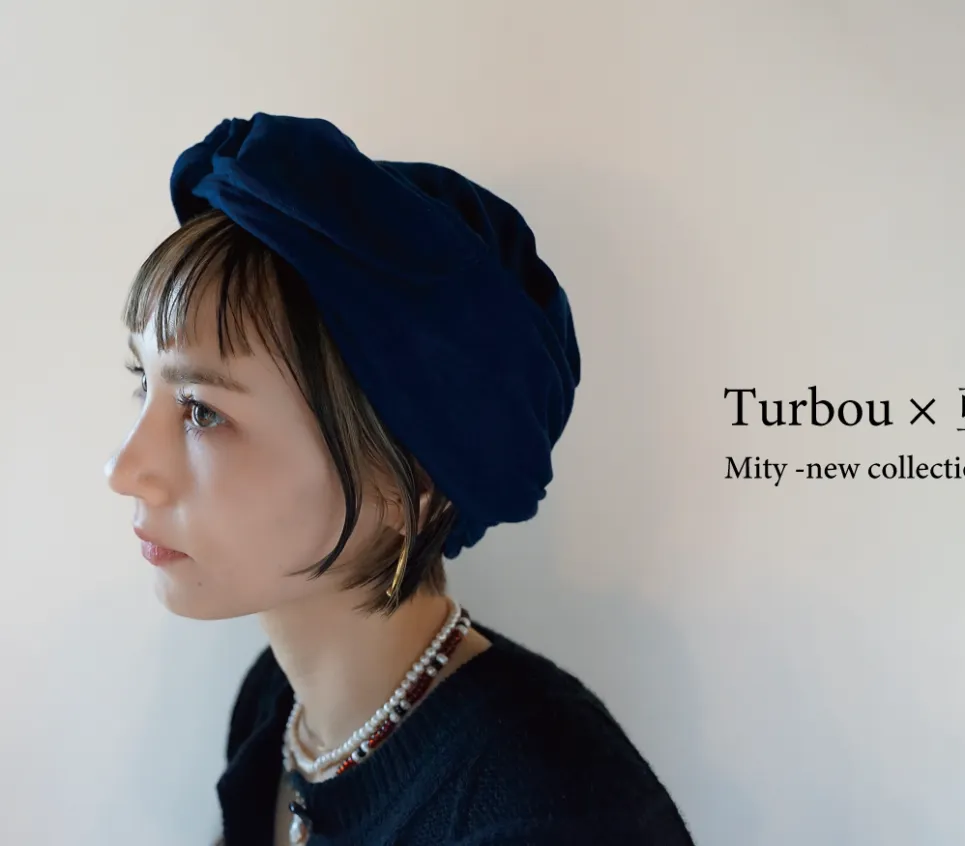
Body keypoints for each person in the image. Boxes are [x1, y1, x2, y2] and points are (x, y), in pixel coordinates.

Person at [105, 113, 695, 846]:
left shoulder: (554, 815)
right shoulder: (275, 704)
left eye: (201, 411)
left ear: (404, 475)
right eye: (144, 381)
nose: (125, 470)